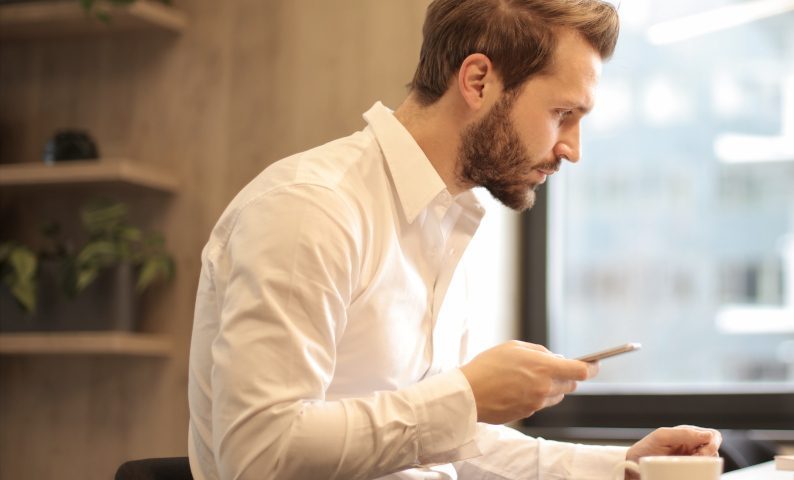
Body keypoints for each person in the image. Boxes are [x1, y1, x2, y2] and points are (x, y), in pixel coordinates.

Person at [187, 1, 722, 479]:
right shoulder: (310, 208)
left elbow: (438, 445)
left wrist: (621, 467)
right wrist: (465, 395)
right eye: (563, 114)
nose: (572, 150)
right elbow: (259, 456)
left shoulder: (445, 223)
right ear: (478, 81)